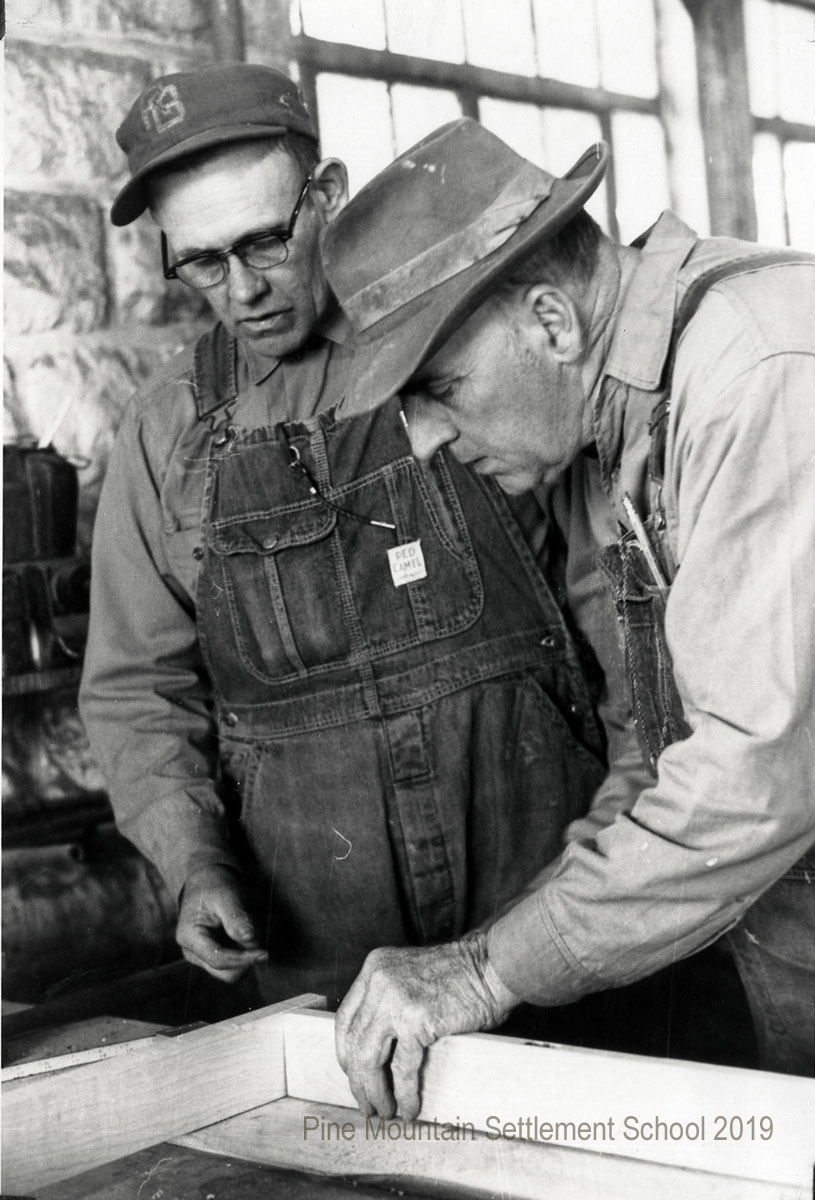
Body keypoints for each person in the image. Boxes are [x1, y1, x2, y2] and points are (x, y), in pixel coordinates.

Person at [318, 118, 815, 1115]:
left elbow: (751, 775)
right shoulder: (607, 434)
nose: (423, 443)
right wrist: (507, 948)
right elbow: (652, 745)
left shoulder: (756, 372)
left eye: (438, 389)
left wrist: (485, 970)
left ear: (550, 321)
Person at [80, 73, 608, 1006]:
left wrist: (622, 848)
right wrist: (193, 860)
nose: (243, 290)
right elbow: (135, 688)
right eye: (201, 261)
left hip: (542, 877)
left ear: (326, 193)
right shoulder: (168, 430)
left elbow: (611, 604)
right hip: (318, 923)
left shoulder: (462, 344)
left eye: (265, 241)